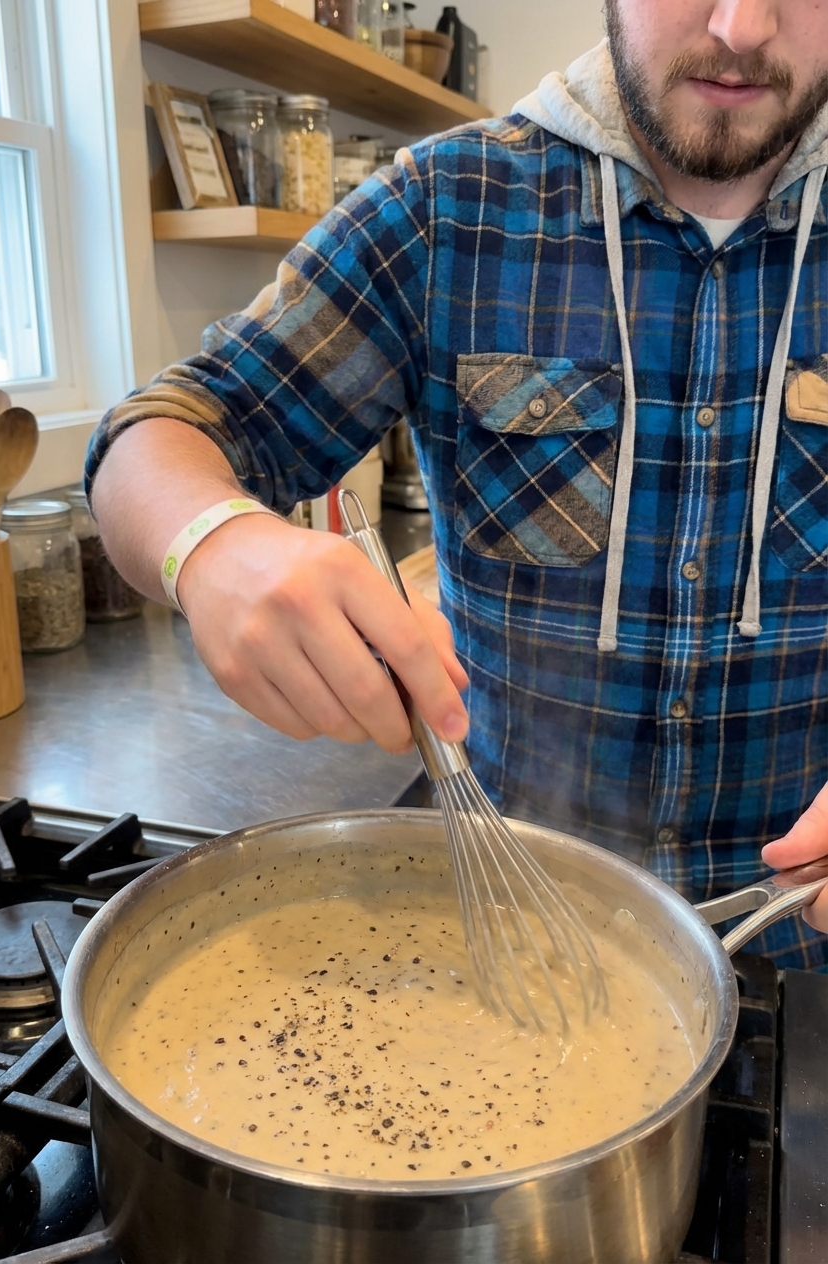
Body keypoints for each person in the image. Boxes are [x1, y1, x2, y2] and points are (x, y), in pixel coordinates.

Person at [88, 0, 828, 967]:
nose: (741, 25)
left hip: (798, 948)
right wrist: (214, 545)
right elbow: (161, 431)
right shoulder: (446, 207)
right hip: (497, 930)